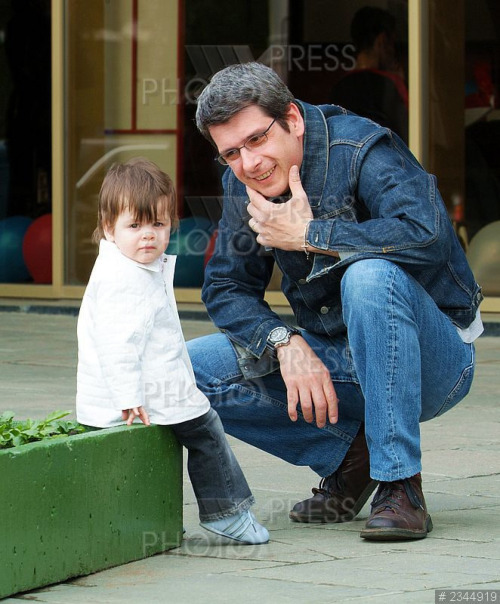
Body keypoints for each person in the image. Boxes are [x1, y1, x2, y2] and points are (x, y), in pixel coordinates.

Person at [188, 62, 483, 541]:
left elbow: (426, 233)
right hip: (342, 360)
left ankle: (400, 484)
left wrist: (310, 235)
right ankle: (352, 456)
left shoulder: (360, 147)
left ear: (292, 119)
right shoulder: (244, 183)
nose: (250, 163)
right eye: (232, 153)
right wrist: (284, 343)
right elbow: (226, 286)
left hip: (434, 361)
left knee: (368, 276)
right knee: (188, 369)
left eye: (258, 139)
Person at [76, 157, 269, 545]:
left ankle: (152, 519)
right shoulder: (123, 279)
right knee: (206, 431)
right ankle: (227, 514)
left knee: (156, 450)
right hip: (139, 395)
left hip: (146, 390)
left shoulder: (133, 265)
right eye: (135, 226)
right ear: (109, 227)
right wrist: (128, 397)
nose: (148, 236)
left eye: (158, 224)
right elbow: (116, 344)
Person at [330, 6, 408, 143]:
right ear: (382, 41)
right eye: (392, 43)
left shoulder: (339, 88)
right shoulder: (390, 84)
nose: (394, 52)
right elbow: (410, 130)